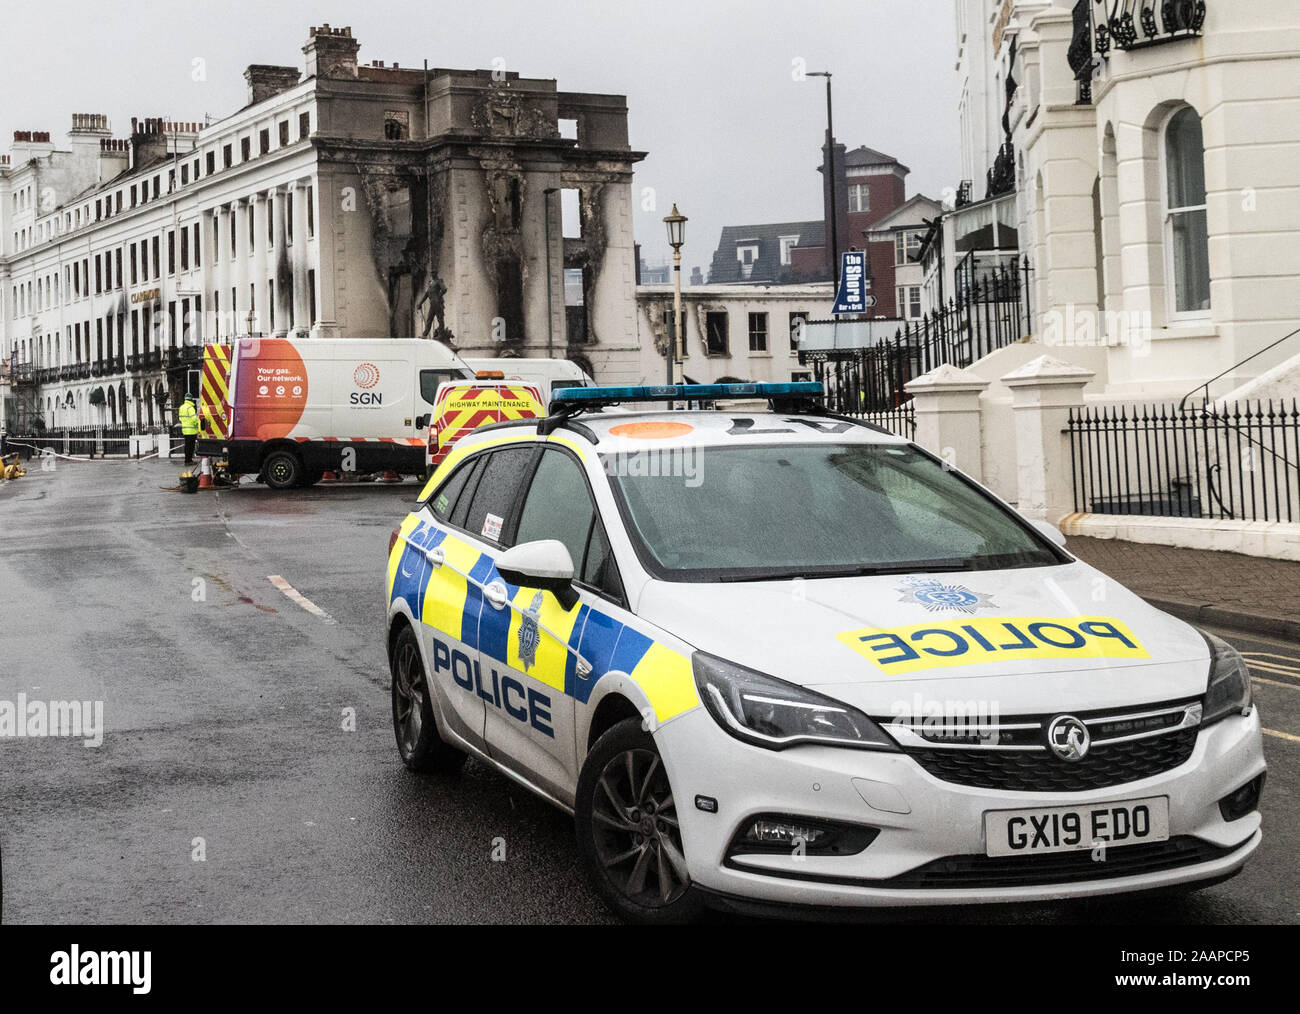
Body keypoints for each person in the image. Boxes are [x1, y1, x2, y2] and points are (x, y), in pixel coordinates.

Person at [178, 394, 199, 464]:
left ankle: (187, 460)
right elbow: (194, 419)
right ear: (191, 399)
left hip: (185, 430)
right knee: (191, 447)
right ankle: (189, 461)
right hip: (191, 430)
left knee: (187, 446)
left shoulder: (182, 407)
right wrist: (198, 424)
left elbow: (180, 418)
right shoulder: (190, 408)